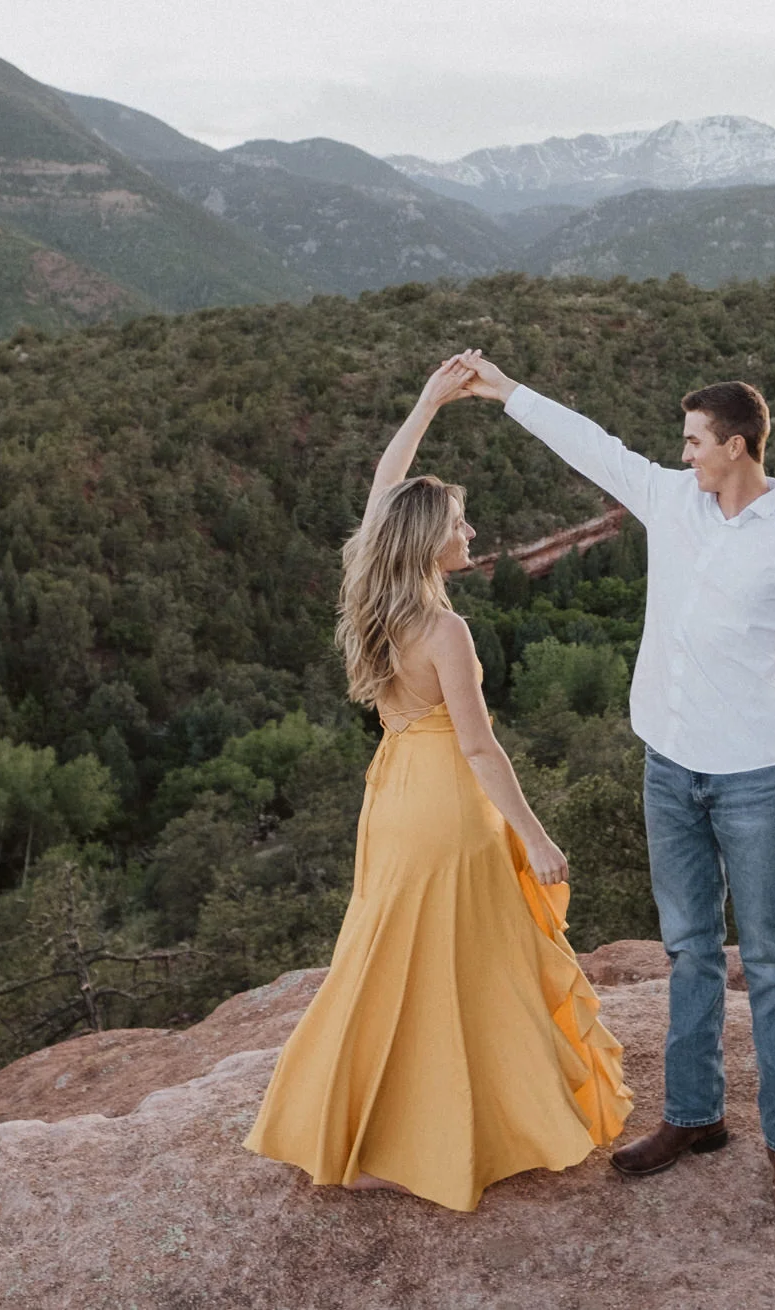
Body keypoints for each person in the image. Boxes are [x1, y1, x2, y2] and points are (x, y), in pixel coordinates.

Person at [456, 349, 775, 1228]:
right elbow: (592, 447)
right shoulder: (674, 502)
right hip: (667, 768)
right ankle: (694, 1115)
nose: (683, 455)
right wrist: (505, 391)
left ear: (737, 447)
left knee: (771, 964)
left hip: (752, 780)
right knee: (689, 949)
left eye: (694, 442)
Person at [244, 355, 631, 1211]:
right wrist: (536, 836)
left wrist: (427, 405)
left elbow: (385, 491)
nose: (472, 532)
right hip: (451, 804)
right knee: (467, 971)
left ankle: (361, 1131)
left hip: (393, 797)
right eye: (460, 524)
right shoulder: (444, 631)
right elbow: (482, 751)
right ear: (429, 543)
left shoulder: (372, 593)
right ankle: (465, 1128)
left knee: (386, 965)